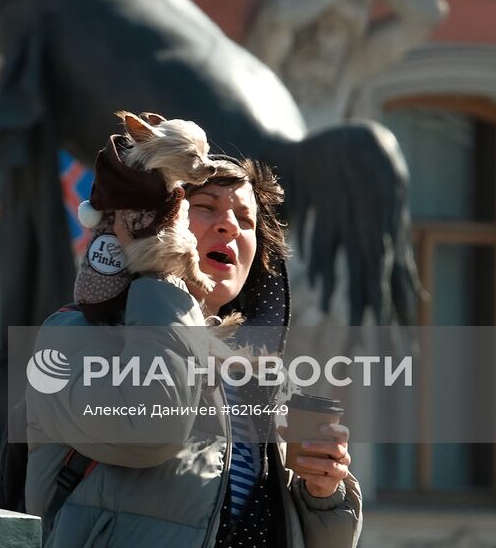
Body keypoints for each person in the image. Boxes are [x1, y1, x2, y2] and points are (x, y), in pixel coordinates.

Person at [24, 152, 362, 548]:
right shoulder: (76, 337)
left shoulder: (261, 379)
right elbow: (151, 429)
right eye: (205, 207)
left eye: (247, 219)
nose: (231, 226)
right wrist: (164, 275)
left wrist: (323, 494)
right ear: (156, 222)